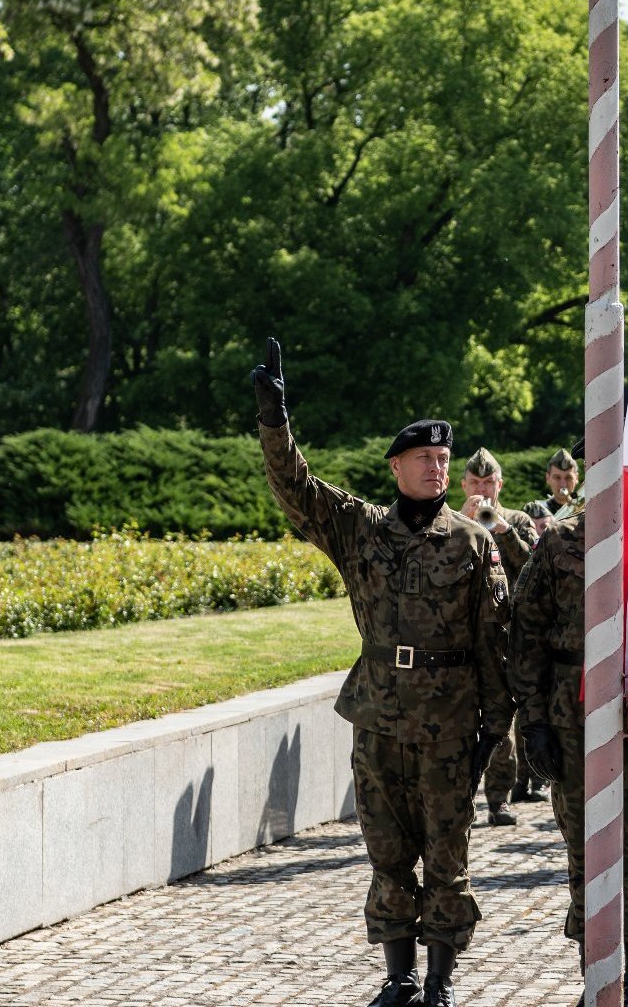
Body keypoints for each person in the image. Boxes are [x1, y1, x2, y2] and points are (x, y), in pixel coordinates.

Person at [251, 339, 512, 1007]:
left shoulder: (473, 544)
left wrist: (497, 727)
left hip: (450, 724)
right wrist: (274, 422)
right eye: (425, 458)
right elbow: (298, 489)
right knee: (388, 854)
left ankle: (440, 981)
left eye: (444, 459)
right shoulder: (362, 530)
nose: (437, 468)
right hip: (379, 720)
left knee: (447, 860)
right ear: (396, 465)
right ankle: (398, 978)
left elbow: (494, 645)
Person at [509, 507, 628, 1007]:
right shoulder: (561, 539)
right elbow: (526, 630)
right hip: (572, 722)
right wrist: (534, 719)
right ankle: (597, 982)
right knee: (585, 856)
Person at [461, 448, 540, 825]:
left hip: (506, 638)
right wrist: (463, 521)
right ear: (463, 485)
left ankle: (499, 798)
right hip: (464, 638)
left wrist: (503, 531)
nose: (483, 489)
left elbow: (534, 566)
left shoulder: (519, 520)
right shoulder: (450, 521)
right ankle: (461, 796)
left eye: (488, 482)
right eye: (475, 483)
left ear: (500, 484)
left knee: (501, 720)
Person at [539, 447, 581, 515]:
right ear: (547, 478)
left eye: (568, 478)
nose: (563, 484)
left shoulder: (587, 508)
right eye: (557, 478)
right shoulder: (537, 510)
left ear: (576, 478)